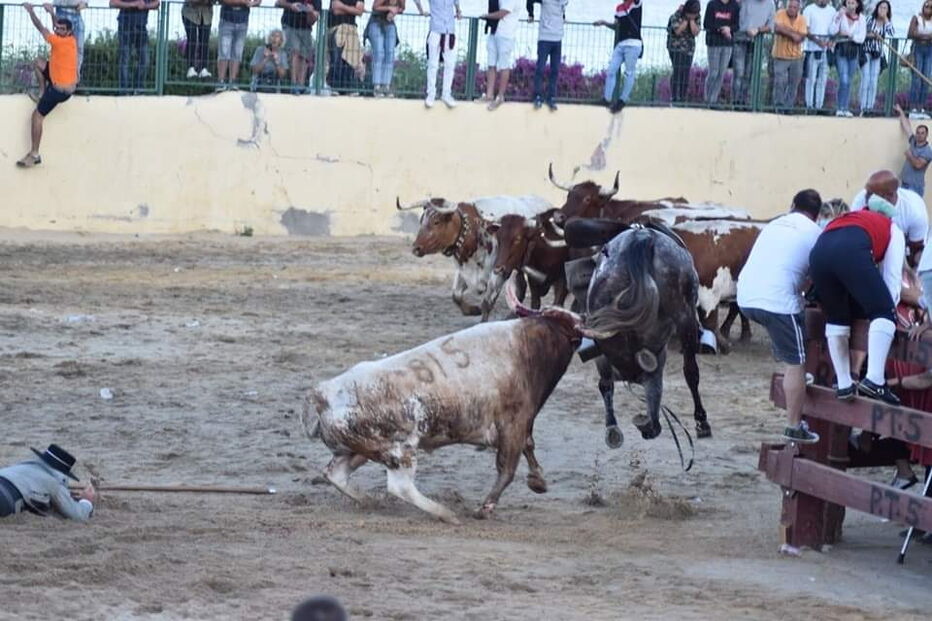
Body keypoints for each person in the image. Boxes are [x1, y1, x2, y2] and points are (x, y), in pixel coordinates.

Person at [809, 170, 906, 404]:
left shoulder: (851, 216)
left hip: (820, 251)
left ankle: (843, 383)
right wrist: (889, 313)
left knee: (837, 317)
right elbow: (891, 281)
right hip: (850, 251)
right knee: (883, 311)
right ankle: (874, 380)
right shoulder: (892, 227)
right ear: (893, 198)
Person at [738, 189, 824, 444]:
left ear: (792, 205)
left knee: (794, 340)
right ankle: (794, 426)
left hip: (745, 297)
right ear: (816, 215)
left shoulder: (773, 224)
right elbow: (816, 278)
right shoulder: (815, 233)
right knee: (796, 362)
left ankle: (795, 376)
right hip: (777, 303)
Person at [16, 3, 77, 169]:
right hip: (64, 82)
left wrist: (31, 11)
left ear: (68, 32)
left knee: (37, 117)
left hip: (60, 90)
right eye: (56, 28)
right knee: (38, 63)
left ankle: (34, 154)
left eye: (60, 29)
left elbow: (40, 27)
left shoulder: (58, 42)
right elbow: (57, 26)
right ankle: (42, 92)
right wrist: (51, 13)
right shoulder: (71, 40)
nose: (57, 30)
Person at [0, 444, 96, 520]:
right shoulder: (54, 483)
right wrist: (87, 501)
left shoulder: (20, 467)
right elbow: (77, 515)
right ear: (63, 473)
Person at [851, 181, 928, 268]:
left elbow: (916, 247)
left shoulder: (914, 211)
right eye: (868, 194)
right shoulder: (862, 199)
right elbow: (855, 239)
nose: (868, 198)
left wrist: (908, 271)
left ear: (889, 195)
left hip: (907, 246)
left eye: (872, 195)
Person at [596, 0, 643, 114]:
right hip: (621, 44)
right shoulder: (619, 8)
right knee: (611, 70)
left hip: (633, 44)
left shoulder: (636, 3)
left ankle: (622, 100)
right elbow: (616, 25)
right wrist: (604, 23)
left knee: (629, 72)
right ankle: (607, 98)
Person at [413, 0, 462, 109]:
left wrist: (458, 11)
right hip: (436, 29)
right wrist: (421, 11)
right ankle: (431, 93)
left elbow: (456, 2)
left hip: (449, 30)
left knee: (450, 64)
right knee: (433, 64)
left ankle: (446, 93)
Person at [111, 0, 159, 95]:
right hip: (125, 26)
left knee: (145, 60)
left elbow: (157, 3)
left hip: (141, 27)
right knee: (125, 60)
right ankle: (124, 91)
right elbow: (112, 3)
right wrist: (132, 4)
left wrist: (145, 6)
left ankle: (139, 89)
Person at [528, 0, 568, 111]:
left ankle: (551, 97)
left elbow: (563, 10)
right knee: (540, 68)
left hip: (558, 38)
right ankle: (537, 96)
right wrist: (531, 14)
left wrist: (563, 17)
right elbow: (529, 1)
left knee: (555, 70)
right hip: (544, 38)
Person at [732, 0, 774, 106]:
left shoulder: (771, 4)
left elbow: (770, 26)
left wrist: (758, 29)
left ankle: (743, 102)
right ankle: (735, 102)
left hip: (756, 40)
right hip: (740, 37)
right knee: (739, 72)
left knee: (748, 73)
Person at [480, 0, 520, 111]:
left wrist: (486, 16)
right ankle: (489, 95)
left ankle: (500, 96)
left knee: (503, 65)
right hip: (494, 32)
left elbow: (503, 13)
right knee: (491, 64)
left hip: (506, 34)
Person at [830, 0, 866, 118]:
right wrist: (839, 17)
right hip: (841, 49)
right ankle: (840, 107)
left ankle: (845, 108)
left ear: (857, 4)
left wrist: (850, 35)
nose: (850, 5)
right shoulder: (840, 15)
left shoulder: (861, 18)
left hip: (854, 50)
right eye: (848, 2)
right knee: (844, 78)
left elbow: (861, 37)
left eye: (853, 2)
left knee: (849, 80)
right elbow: (832, 31)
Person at [277, 0, 320, 94]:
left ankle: (301, 84)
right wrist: (291, 6)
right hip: (289, 24)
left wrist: (310, 12)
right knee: (294, 53)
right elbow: (278, 2)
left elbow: (313, 19)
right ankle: (293, 83)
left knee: (304, 56)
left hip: (306, 28)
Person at [772, 0, 808, 111]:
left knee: (794, 83)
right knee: (780, 81)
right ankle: (778, 105)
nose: (791, 9)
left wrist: (786, 30)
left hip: (796, 56)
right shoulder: (780, 13)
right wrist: (793, 34)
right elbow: (777, 28)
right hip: (780, 55)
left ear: (798, 9)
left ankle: (788, 107)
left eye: (794, 7)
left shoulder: (802, 19)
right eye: (790, 6)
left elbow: (801, 37)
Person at [217, 0, 261, 90]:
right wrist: (243, 2)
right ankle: (220, 81)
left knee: (237, 52)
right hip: (227, 20)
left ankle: (232, 82)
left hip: (243, 22)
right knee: (224, 51)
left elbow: (258, 1)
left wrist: (252, 3)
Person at [860, 0, 893, 116]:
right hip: (866, 52)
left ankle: (870, 107)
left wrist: (886, 20)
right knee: (866, 79)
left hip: (877, 53)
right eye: (881, 7)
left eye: (885, 8)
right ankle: (863, 107)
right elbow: (861, 33)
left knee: (874, 81)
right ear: (877, 8)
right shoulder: (869, 19)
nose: (882, 10)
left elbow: (892, 33)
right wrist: (872, 35)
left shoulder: (885, 23)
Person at [703, 0, 738, 105]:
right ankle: (707, 98)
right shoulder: (712, 4)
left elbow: (737, 25)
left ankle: (713, 100)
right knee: (713, 72)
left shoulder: (735, 6)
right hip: (714, 43)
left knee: (721, 73)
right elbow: (707, 24)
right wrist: (721, 29)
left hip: (727, 44)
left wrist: (730, 29)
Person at [367, 0, 405, 98]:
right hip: (376, 21)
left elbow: (402, 8)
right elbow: (375, 6)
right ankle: (377, 86)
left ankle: (386, 86)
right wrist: (389, 8)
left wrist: (394, 11)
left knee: (390, 54)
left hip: (390, 23)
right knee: (379, 53)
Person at [803, 0, 834, 112]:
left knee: (822, 80)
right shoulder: (809, 9)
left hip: (826, 50)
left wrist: (831, 41)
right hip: (812, 49)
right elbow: (805, 30)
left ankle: (819, 106)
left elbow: (834, 30)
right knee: (811, 79)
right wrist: (817, 41)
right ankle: (809, 106)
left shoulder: (832, 10)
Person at [666, 0, 700, 104]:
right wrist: (686, 20)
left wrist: (692, 21)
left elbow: (696, 32)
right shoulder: (676, 15)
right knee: (678, 71)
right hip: (675, 47)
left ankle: (682, 97)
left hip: (689, 49)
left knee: (685, 73)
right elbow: (677, 30)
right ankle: (675, 97)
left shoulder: (697, 17)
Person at [895, 103, 932, 197]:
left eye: (922, 133)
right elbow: (907, 127)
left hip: (915, 187)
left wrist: (909, 155)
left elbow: (918, 165)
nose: (919, 135)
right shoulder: (913, 142)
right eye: (918, 133)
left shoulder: (927, 151)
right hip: (905, 184)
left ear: (926, 135)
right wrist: (901, 112)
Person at [907, 0, 932, 119]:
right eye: (926, 5)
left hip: (929, 49)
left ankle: (921, 107)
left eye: (931, 6)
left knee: (925, 78)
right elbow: (911, 33)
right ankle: (913, 107)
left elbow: (918, 33)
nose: (928, 8)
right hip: (918, 47)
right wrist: (927, 36)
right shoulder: (916, 18)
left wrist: (921, 34)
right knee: (916, 78)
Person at [53, 0, 85, 80]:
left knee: (78, 48)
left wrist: (85, 3)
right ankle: (61, 78)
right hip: (63, 10)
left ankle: (75, 78)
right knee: (62, 48)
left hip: (77, 13)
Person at [183, 0, 215, 79]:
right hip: (190, 13)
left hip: (207, 14)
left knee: (205, 41)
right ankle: (191, 67)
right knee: (192, 39)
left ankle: (204, 68)